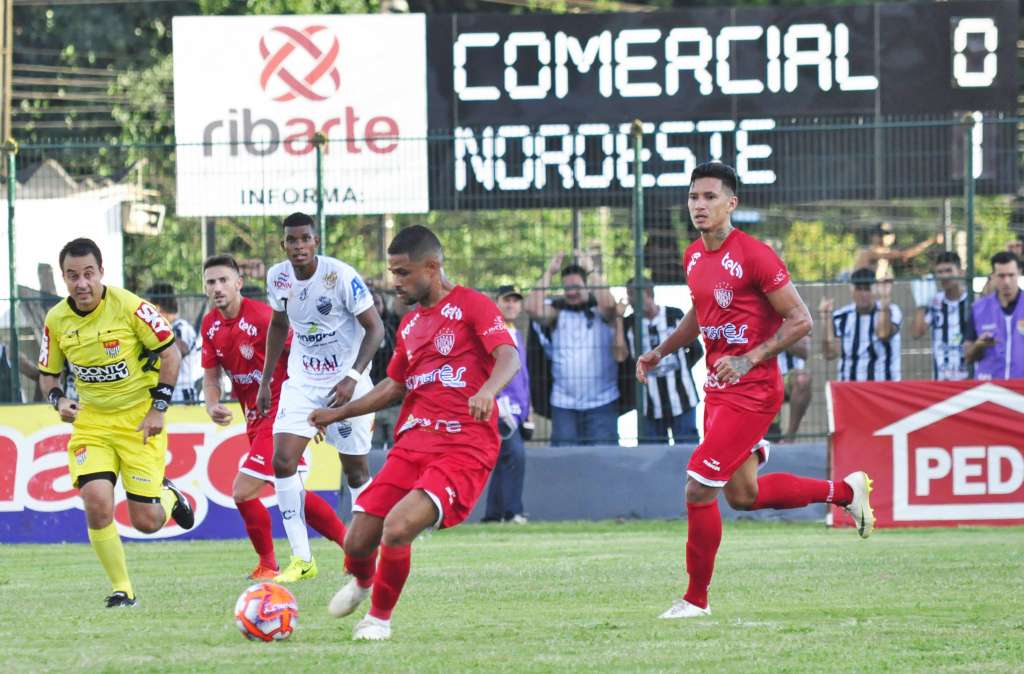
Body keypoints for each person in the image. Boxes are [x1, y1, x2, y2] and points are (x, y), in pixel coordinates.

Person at [635, 163, 873, 620]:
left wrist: (750, 357)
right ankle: (846, 491)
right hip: (719, 391)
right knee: (742, 495)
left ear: (731, 203)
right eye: (693, 198)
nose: (699, 205)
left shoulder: (755, 255)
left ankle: (695, 600)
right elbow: (701, 314)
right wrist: (661, 351)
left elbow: (800, 319)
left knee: (698, 489)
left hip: (753, 392)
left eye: (709, 197)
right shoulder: (692, 257)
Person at [307, 225, 520, 641]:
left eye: (403, 273)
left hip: (464, 445)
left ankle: (378, 620)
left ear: (432, 267)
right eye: (392, 273)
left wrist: (486, 391)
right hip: (414, 442)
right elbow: (394, 386)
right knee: (356, 541)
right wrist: (339, 413)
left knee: (399, 527)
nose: (396, 282)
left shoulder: (473, 305)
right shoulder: (409, 325)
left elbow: (508, 355)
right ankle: (364, 581)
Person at [37, 238, 194, 608]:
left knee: (147, 521)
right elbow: (48, 374)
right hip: (92, 423)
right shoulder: (56, 319)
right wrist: (57, 400)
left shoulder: (131, 307)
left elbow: (170, 354)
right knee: (96, 500)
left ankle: (168, 496)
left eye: (88, 274)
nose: (82, 283)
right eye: (73, 276)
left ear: (101, 272)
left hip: (139, 420)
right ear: (63, 279)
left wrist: (158, 408)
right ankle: (122, 588)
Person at [200, 254, 349, 580]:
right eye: (211, 282)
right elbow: (211, 377)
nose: (217, 287)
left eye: (224, 280)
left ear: (239, 283)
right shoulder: (210, 324)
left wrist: (314, 409)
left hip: (284, 415)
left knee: (243, 490)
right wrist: (212, 404)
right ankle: (353, 547)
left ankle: (269, 564)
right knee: (292, 492)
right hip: (255, 420)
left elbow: (307, 355)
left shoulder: (266, 318)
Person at [257, 212, 385, 583]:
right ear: (284, 245)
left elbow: (375, 328)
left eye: (305, 239)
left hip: (346, 383)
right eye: (291, 240)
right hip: (302, 382)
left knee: (356, 470)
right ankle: (302, 560)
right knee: (282, 461)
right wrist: (267, 380)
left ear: (315, 242)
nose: (298, 246)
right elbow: (279, 324)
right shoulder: (277, 277)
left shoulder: (340, 276)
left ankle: (363, 555)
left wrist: (352, 376)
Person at [525, 253, 619, 446]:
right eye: (567, 288)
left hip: (602, 403)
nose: (572, 292)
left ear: (588, 286)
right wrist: (549, 272)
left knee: (604, 464)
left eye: (576, 287)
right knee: (565, 465)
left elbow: (609, 305)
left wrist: (591, 270)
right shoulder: (558, 311)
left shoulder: (600, 309)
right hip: (564, 405)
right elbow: (532, 308)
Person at [622, 277, 701, 445]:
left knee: (687, 454)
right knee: (653, 460)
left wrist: (679, 369)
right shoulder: (628, 323)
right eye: (628, 295)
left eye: (633, 294)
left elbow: (697, 350)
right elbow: (622, 357)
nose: (630, 299)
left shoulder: (674, 315)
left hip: (683, 400)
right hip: (649, 406)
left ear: (648, 293)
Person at [482, 285, 532, 524]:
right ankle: (513, 512)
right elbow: (488, 371)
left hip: (518, 410)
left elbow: (524, 376)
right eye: (507, 300)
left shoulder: (516, 333)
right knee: (515, 456)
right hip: (501, 409)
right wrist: (498, 403)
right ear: (497, 303)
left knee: (505, 459)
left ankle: (493, 515)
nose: (512, 304)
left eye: (515, 300)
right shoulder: (492, 333)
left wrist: (528, 408)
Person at [820, 268, 903, 381]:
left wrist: (884, 299)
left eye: (867, 289)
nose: (863, 294)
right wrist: (826, 320)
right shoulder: (841, 316)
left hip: (883, 387)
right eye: (859, 289)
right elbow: (829, 354)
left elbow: (883, 334)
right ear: (851, 290)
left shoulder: (891, 311)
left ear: (875, 290)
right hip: (850, 388)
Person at [965, 251, 1024, 380]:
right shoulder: (978, 308)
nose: (1007, 281)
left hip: (1021, 388)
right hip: (990, 390)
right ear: (993, 276)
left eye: (1011, 275)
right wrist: (979, 345)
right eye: (1001, 276)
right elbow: (968, 357)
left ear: (1019, 273)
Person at [911, 252, 969, 381]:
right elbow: (916, 333)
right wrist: (921, 305)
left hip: (969, 380)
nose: (944, 276)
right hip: (941, 381)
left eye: (948, 270)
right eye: (940, 272)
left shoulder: (973, 301)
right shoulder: (935, 302)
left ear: (960, 272)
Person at [145, 282, 200, 403]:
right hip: (164, 393)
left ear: (157, 308)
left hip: (181, 395)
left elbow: (180, 350)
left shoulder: (181, 328)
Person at [368, 287, 401, 451]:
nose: (374, 307)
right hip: (369, 402)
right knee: (372, 449)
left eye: (377, 303)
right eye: (370, 304)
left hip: (394, 402)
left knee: (397, 447)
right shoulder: (356, 332)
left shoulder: (393, 326)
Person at [852, 221, 942, 280]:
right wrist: (932, 241)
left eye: (886, 234)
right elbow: (905, 254)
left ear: (892, 237)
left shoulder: (886, 252)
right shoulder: (869, 252)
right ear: (872, 236)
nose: (883, 238)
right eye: (880, 234)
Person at [774, 337, 812, 440]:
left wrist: (776, 335)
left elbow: (804, 351)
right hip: (758, 381)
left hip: (786, 377)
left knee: (802, 379)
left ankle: (790, 437)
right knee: (771, 437)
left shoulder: (795, 321)